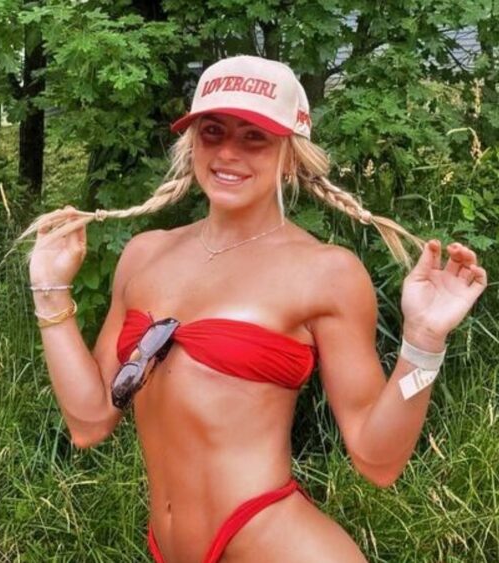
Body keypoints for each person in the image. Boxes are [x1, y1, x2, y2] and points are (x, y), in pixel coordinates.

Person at [25, 55, 487, 562]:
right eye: (212, 131)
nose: (227, 153)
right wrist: (49, 288)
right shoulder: (145, 254)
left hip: (274, 544)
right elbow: (90, 422)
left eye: (254, 137)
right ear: (191, 141)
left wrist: (423, 342)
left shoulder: (326, 272)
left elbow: (378, 461)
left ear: (290, 153)